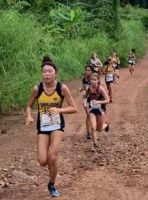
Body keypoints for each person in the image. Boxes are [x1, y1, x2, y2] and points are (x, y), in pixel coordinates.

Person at [26, 55, 77, 198]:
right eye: (44, 71)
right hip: (42, 127)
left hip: (57, 125)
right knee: (43, 161)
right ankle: (52, 168)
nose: (47, 74)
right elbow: (28, 106)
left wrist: (59, 110)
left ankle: (52, 184)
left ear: (56, 73)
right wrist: (29, 116)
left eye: (50, 71)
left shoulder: (62, 88)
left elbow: (74, 108)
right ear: (41, 73)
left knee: (52, 157)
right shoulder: (37, 89)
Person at [84, 73, 110, 152]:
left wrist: (98, 102)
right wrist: (85, 103)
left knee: (99, 129)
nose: (93, 81)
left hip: (100, 110)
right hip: (92, 109)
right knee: (93, 127)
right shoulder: (89, 88)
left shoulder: (101, 89)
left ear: (98, 81)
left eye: (95, 80)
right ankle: (95, 145)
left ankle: (106, 125)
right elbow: (85, 97)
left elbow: (107, 100)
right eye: (91, 79)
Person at [80, 65, 94, 140]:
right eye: (86, 70)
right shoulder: (84, 79)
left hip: (93, 98)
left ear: (92, 71)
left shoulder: (94, 79)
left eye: (89, 70)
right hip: (85, 98)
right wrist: (81, 89)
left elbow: (98, 88)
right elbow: (84, 87)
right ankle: (88, 133)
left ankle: (94, 128)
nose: (87, 71)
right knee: (88, 114)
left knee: (93, 115)